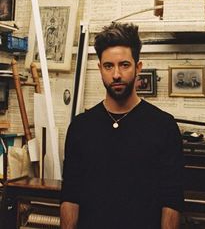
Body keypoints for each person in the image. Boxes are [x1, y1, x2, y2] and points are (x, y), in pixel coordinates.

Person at [60, 22, 184, 229]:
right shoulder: (81, 127)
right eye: (109, 66)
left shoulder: (164, 126)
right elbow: (71, 194)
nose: (116, 74)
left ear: (138, 67)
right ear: (100, 69)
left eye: (124, 65)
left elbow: (171, 200)